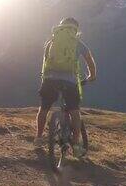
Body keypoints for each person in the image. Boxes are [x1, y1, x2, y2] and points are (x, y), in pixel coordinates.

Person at [34, 17, 97, 157]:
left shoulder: (51, 42)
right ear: (75, 30)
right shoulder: (78, 43)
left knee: (44, 108)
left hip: (49, 79)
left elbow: (45, 62)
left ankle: (38, 138)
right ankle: (75, 144)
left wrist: (45, 79)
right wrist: (92, 76)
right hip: (70, 82)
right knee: (74, 110)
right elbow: (90, 61)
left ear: (61, 27)